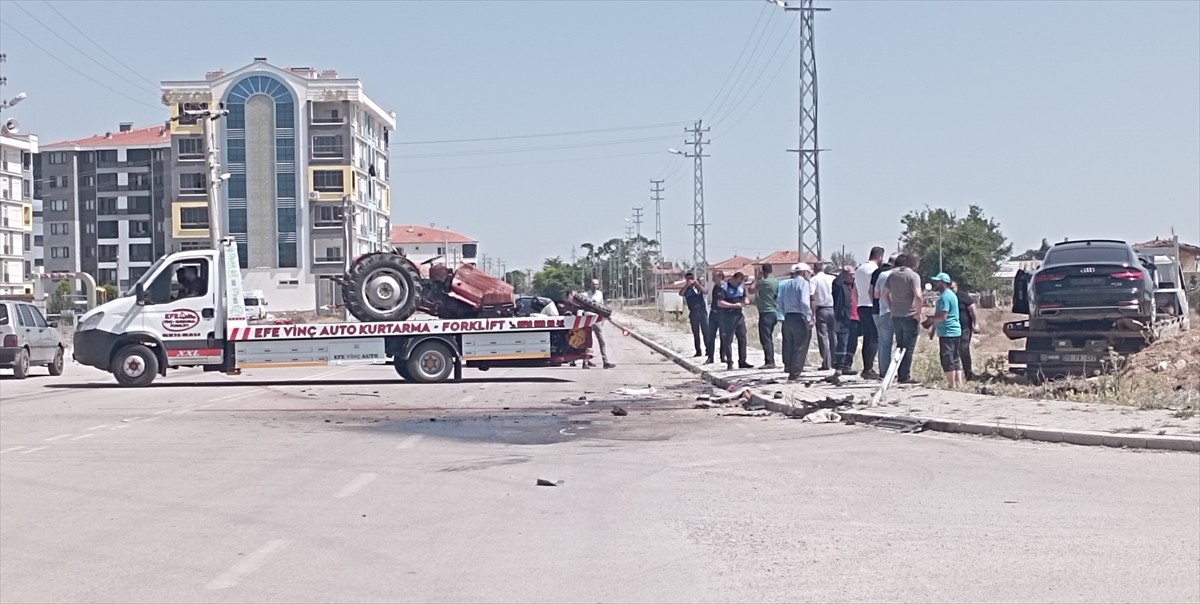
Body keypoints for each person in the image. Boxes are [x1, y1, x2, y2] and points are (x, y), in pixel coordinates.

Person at [882, 253, 923, 385]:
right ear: (915, 263)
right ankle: (904, 376)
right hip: (909, 315)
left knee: (899, 346)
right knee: (908, 347)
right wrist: (918, 312)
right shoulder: (913, 276)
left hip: (896, 315)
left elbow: (884, 294)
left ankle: (897, 373)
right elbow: (918, 296)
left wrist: (891, 308)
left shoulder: (892, 275)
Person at [924, 273, 963, 387]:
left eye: (938, 282)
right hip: (955, 331)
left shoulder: (944, 297)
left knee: (947, 358)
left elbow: (942, 316)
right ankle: (958, 384)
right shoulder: (951, 295)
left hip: (947, 332)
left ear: (943, 283)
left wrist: (930, 319)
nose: (936, 284)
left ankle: (951, 384)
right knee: (955, 358)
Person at [778, 263, 814, 381]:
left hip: (788, 317)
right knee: (800, 345)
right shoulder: (804, 283)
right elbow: (804, 302)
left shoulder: (788, 284)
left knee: (789, 344)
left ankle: (788, 366)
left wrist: (784, 314)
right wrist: (809, 317)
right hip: (799, 317)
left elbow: (781, 302)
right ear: (804, 272)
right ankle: (795, 373)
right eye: (809, 273)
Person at [854, 247, 885, 379]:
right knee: (873, 337)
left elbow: (855, 290)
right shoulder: (874, 270)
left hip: (861, 304)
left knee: (867, 337)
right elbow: (874, 289)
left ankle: (867, 367)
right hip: (870, 305)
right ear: (880, 257)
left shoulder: (859, 269)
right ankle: (869, 368)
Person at [716, 272, 754, 371]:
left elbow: (744, 297)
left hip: (739, 316)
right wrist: (733, 305)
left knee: (742, 337)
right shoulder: (724, 287)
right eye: (738, 282)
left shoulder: (741, 288)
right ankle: (729, 362)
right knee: (728, 340)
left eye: (741, 282)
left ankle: (742, 361)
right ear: (733, 278)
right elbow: (720, 303)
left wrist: (746, 301)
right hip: (728, 317)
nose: (739, 284)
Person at [750, 264, 780, 369]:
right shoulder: (776, 282)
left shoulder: (764, 282)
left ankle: (770, 361)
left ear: (763, 271)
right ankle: (770, 360)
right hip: (774, 311)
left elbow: (751, 290)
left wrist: (757, 278)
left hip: (765, 312)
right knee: (769, 337)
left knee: (765, 338)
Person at [872, 257, 897, 378]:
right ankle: (897, 371)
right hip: (899, 313)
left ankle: (884, 371)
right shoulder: (899, 275)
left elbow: (876, 294)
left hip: (883, 311)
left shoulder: (881, 275)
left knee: (884, 343)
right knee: (900, 343)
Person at [810, 262, 837, 371]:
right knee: (834, 335)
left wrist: (812, 313)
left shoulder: (814, 280)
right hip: (833, 308)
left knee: (823, 336)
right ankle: (835, 361)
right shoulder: (832, 278)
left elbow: (811, 296)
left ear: (814, 269)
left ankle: (826, 362)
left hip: (821, 309)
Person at [583, 279, 615, 369]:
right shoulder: (585, 295)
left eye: (596, 284)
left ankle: (605, 361)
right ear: (590, 285)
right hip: (588, 320)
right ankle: (585, 362)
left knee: (601, 341)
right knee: (587, 342)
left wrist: (603, 319)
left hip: (597, 320)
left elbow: (601, 307)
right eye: (593, 284)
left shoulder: (599, 294)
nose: (595, 286)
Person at [832, 266, 858, 374]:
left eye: (853, 274)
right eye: (850, 274)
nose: (852, 276)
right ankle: (839, 366)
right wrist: (842, 273)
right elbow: (836, 285)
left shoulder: (855, 286)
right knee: (842, 342)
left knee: (853, 343)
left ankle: (847, 365)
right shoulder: (839, 285)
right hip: (843, 318)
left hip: (855, 318)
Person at [951, 281, 979, 380]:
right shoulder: (947, 297)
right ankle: (955, 374)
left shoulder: (962, 296)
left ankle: (968, 373)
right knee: (953, 351)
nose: (951, 290)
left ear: (956, 287)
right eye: (949, 288)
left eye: (953, 288)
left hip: (965, 327)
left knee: (963, 349)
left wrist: (975, 324)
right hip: (952, 328)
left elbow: (973, 309)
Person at [679, 273, 709, 358]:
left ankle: (708, 350)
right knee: (696, 333)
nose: (690, 280)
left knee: (706, 332)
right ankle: (698, 351)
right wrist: (686, 285)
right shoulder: (687, 290)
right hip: (693, 312)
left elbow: (705, 291)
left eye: (691, 278)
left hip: (702, 312)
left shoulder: (698, 287)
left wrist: (697, 284)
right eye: (688, 279)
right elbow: (681, 293)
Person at [704, 270, 728, 365]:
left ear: (721, 277)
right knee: (711, 336)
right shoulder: (715, 287)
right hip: (713, 314)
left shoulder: (726, 287)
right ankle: (710, 357)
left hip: (722, 315)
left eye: (715, 276)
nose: (713, 278)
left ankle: (723, 356)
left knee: (723, 336)